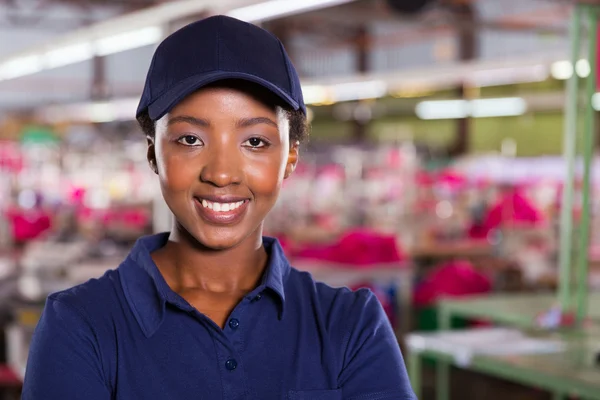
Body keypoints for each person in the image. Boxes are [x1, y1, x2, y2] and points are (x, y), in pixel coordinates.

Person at [22, 15, 416, 400]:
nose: (222, 174)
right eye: (190, 139)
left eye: (256, 142)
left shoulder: (348, 324)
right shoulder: (81, 325)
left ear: (290, 159)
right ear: (153, 153)